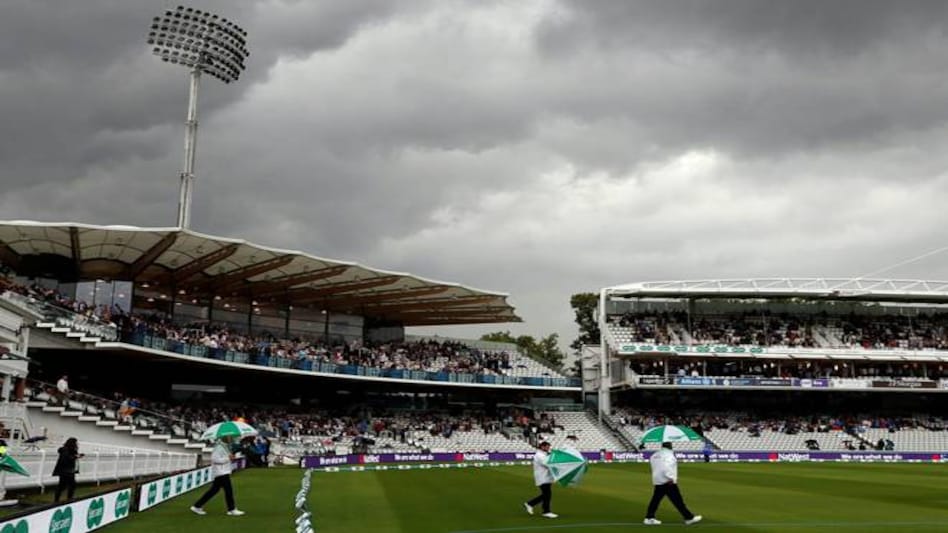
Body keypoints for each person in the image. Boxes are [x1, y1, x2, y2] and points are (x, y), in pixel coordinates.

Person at [644, 442, 702, 526]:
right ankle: (689, 518)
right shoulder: (669, 455)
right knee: (677, 500)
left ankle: (649, 517)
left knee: (656, 500)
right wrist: (671, 477)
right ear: (670, 446)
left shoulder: (655, 455)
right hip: (668, 481)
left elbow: (655, 466)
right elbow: (666, 467)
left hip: (658, 480)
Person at [191, 436, 245, 516]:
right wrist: (228, 459)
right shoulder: (219, 447)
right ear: (225, 437)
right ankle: (231, 509)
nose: (231, 438)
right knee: (228, 490)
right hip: (221, 472)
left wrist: (229, 458)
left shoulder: (224, 446)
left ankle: (197, 505)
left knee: (214, 490)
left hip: (223, 471)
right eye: (229, 437)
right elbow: (215, 459)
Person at [523, 441, 558, 518]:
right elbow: (547, 464)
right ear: (542, 447)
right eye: (547, 447)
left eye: (549, 447)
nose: (548, 448)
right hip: (542, 477)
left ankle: (531, 504)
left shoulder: (544, 454)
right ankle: (545, 511)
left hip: (546, 477)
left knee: (546, 495)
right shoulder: (539, 455)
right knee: (547, 494)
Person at [53, 437, 82, 502]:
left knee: (69, 485)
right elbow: (66, 458)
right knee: (64, 485)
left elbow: (71, 457)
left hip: (69, 470)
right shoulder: (65, 450)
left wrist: (77, 456)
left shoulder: (71, 450)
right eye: (76, 443)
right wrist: (75, 456)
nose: (77, 444)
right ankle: (60, 499)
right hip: (65, 470)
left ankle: (67, 498)